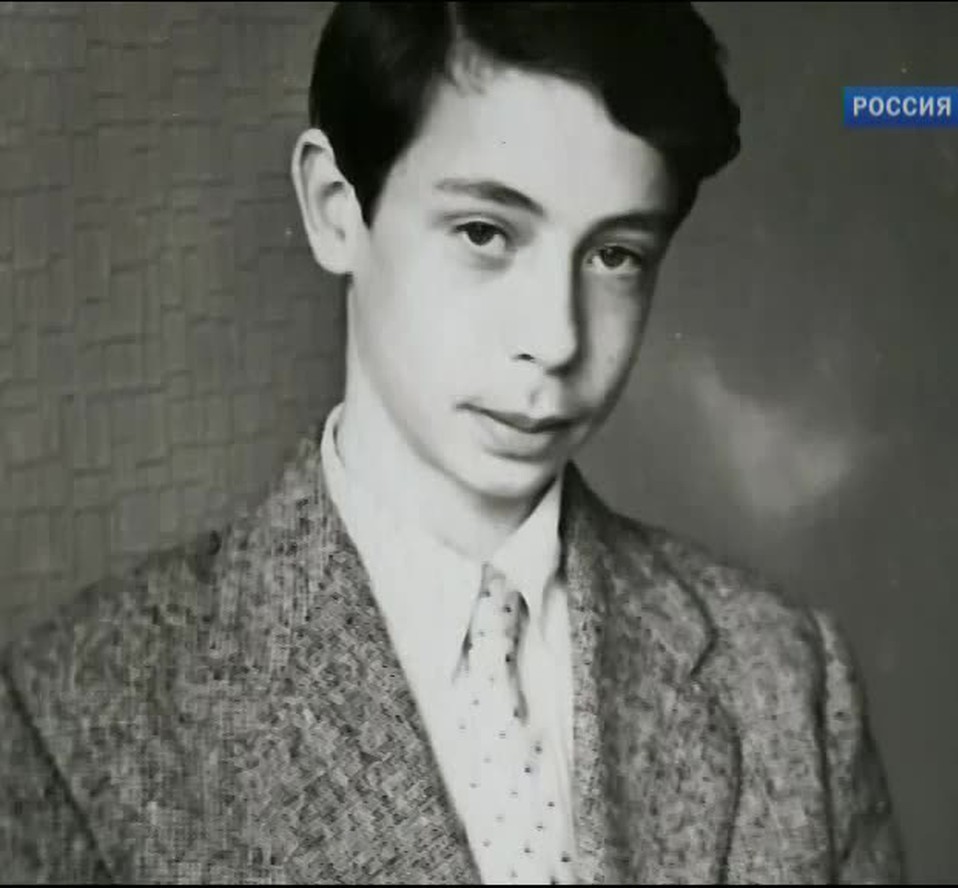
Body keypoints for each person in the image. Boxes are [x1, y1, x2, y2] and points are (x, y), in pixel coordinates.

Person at [0, 2, 903, 883]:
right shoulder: (75, 713)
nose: (556, 338)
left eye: (615, 255)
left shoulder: (784, 681)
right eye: (484, 233)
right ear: (335, 209)